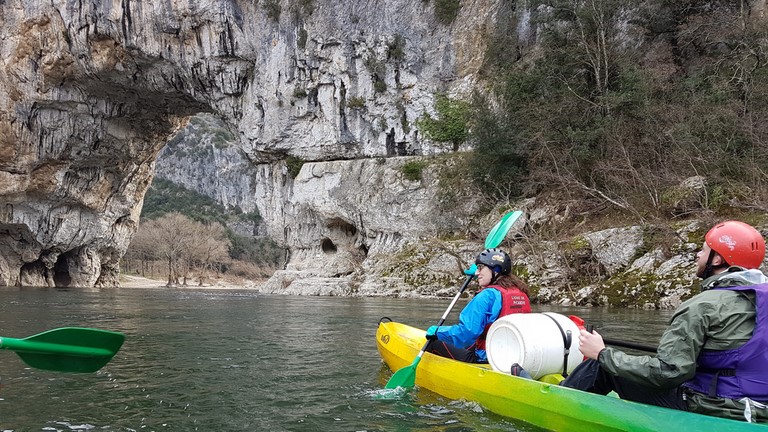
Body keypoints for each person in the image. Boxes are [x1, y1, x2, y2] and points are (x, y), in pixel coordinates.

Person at [561, 220, 768, 423]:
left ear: (717, 260)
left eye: (704, 250)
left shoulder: (703, 306)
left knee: (601, 367)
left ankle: (556, 402)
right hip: (760, 409)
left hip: (715, 409)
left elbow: (668, 372)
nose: (698, 255)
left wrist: (602, 354)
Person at [424, 247, 531, 363]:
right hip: (513, 356)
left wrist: (438, 332)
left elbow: (466, 333)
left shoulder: (486, 296)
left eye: (481, 268)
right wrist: (482, 277)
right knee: (471, 342)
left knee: (433, 342)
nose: (477, 272)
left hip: (487, 359)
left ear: (495, 270)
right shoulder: (521, 293)